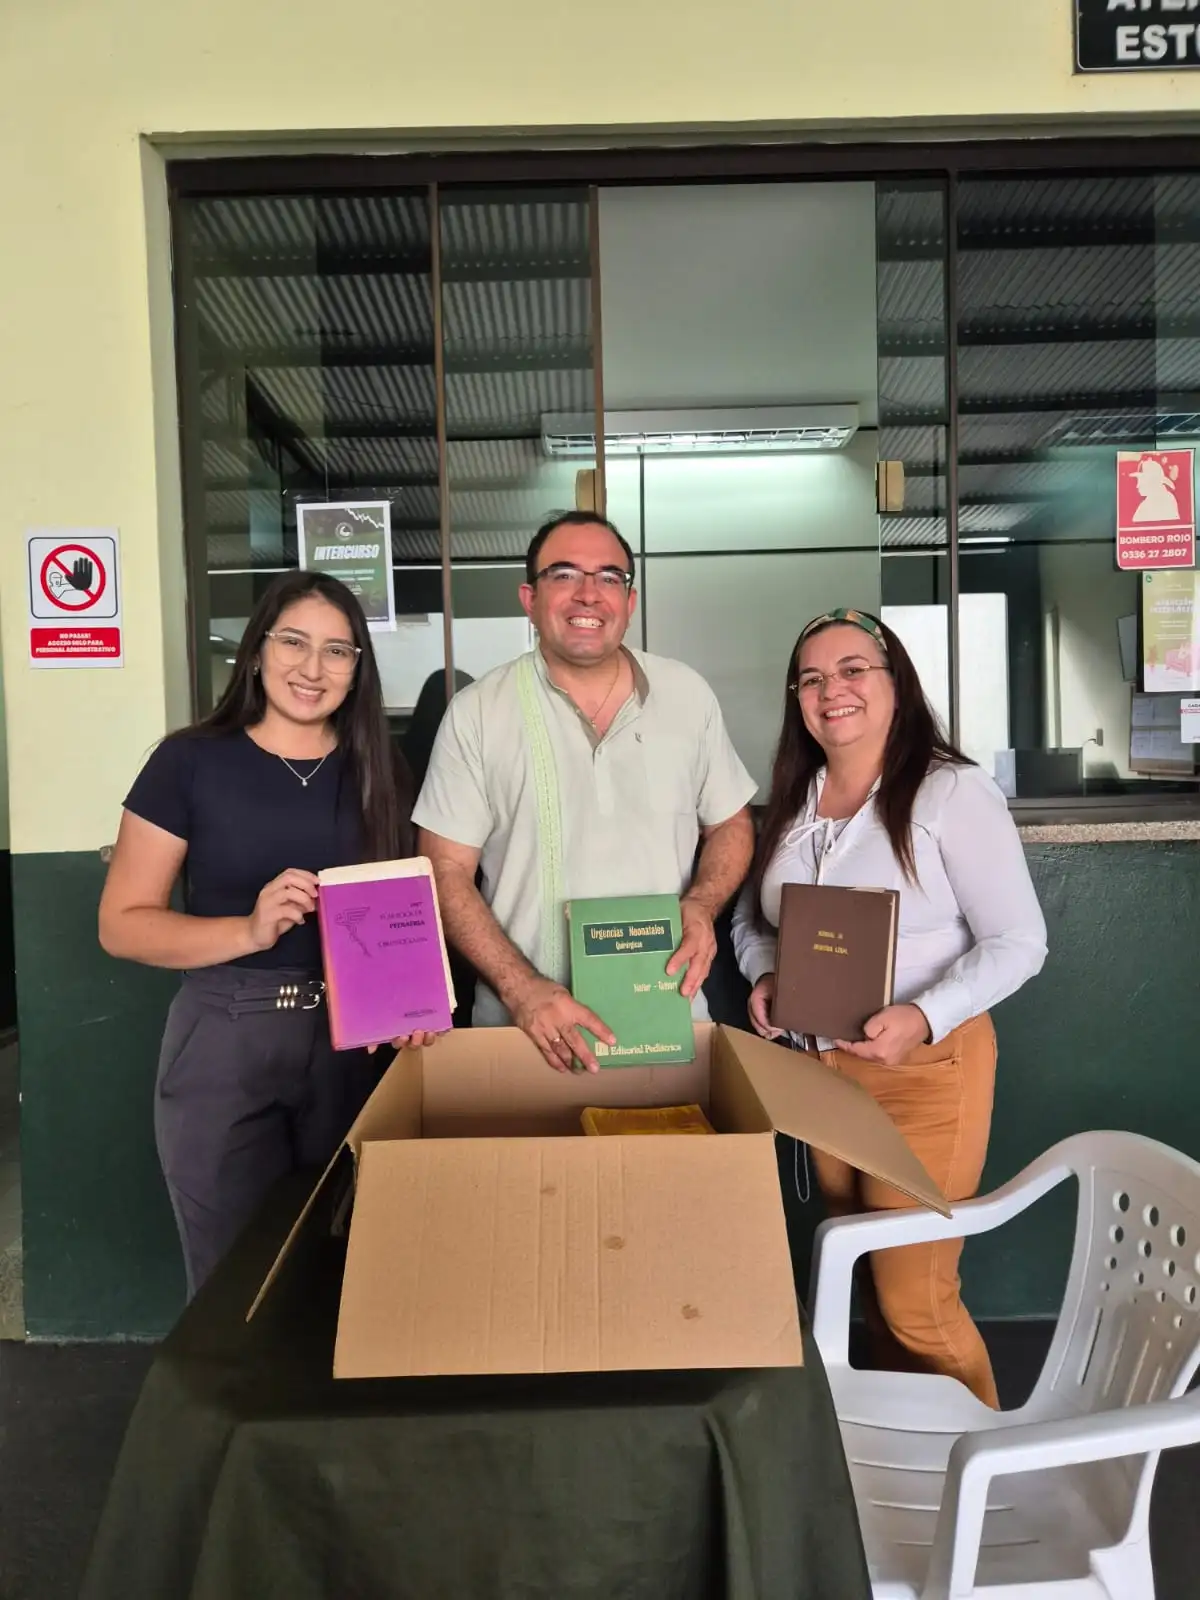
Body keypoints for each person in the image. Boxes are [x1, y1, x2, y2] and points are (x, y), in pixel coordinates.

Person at [732, 606, 1047, 1408]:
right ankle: (908, 1455)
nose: (829, 690)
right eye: (810, 678)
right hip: (823, 1076)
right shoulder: (798, 798)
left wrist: (924, 1015)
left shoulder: (950, 792)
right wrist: (766, 971)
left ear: (895, 684)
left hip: (926, 1075)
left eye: (851, 670)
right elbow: (750, 917)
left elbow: (1019, 941)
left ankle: (984, 1467)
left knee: (917, 1299)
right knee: (863, 1277)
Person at [98, 570, 429, 1298]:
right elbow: (122, 925)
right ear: (255, 652)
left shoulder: (379, 768)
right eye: (294, 643)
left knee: (343, 1274)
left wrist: (410, 1008)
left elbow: (402, 914)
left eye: (338, 652)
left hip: (352, 1044)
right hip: (227, 1034)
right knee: (232, 1285)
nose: (313, 669)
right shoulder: (188, 762)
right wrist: (248, 929)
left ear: (357, 669)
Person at [411, 510, 757, 1073]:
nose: (589, 594)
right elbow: (443, 869)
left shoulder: (687, 695)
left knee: (671, 1162)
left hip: (667, 1023)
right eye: (564, 574)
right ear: (529, 597)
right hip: (522, 1037)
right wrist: (521, 990)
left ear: (630, 600)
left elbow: (731, 824)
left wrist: (702, 903)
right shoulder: (478, 712)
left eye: (609, 577)